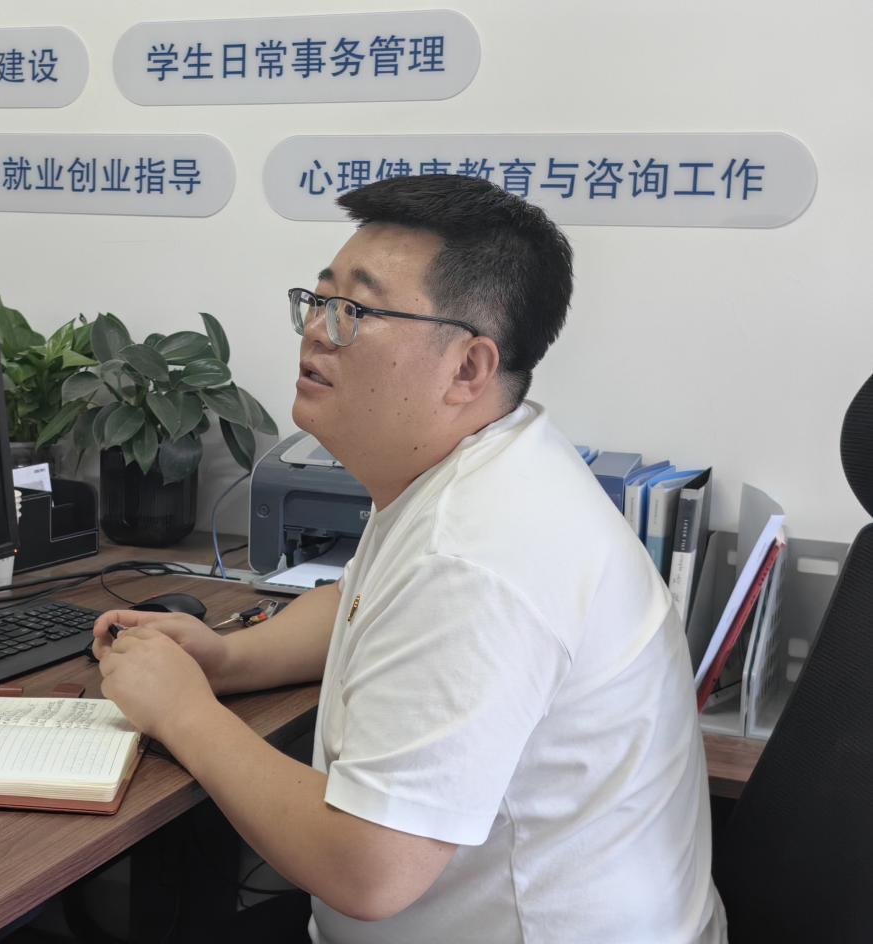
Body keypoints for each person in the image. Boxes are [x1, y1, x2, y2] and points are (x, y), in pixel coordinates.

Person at [92, 174, 726, 943]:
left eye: (355, 312)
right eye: (318, 299)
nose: (317, 331)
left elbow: (369, 871)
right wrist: (227, 659)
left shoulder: (476, 555)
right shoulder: (486, 462)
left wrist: (183, 711)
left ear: (468, 368)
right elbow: (363, 598)